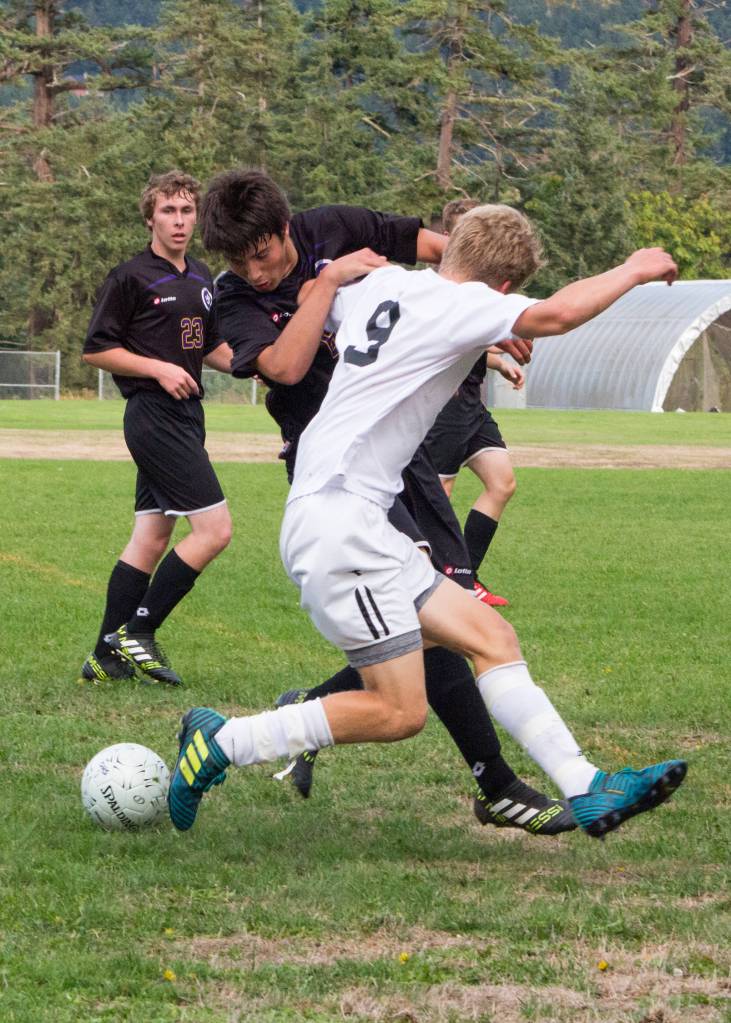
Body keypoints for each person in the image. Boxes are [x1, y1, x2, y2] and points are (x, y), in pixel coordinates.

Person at [167, 202, 687, 838]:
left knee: (491, 639)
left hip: (352, 518)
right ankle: (225, 741)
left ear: (454, 248)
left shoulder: (386, 284)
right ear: (503, 286)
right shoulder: (465, 304)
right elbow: (557, 314)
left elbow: (310, 299)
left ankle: (586, 786)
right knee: (398, 712)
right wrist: (633, 269)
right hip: (340, 523)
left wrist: (338, 284)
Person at [79, 170, 234, 687]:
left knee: (150, 537)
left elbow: (212, 347)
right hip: (152, 416)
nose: (179, 220)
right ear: (150, 218)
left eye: (187, 210)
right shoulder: (130, 277)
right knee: (214, 531)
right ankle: (139, 632)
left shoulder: (203, 276)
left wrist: (262, 363)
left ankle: (104, 656)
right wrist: (158, 369)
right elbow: (97, 349)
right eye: (168, 210)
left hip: (187, 416)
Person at [423, 198, 523, 607]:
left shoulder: (478, 286)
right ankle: (429, 582)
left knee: (502, 482)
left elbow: (471, 345)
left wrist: (499, 363)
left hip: (471, 404)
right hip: (445, 407)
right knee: (437, 497)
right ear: (450, 236)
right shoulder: (438, 288)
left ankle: (468, 575)